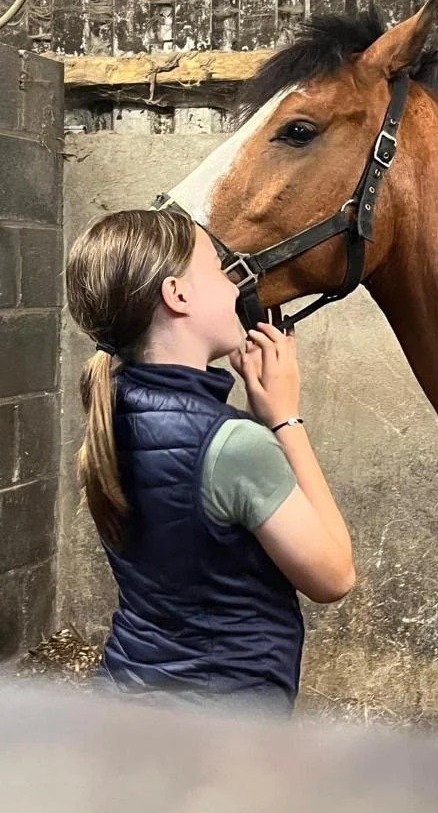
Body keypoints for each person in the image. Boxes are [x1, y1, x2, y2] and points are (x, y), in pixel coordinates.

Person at [65, 208, 355, 716]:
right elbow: (334, 577)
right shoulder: (233, 446)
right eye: (220, 270)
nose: (235, 284)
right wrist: (285, 419)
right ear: (178, 296)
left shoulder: (111, 413)